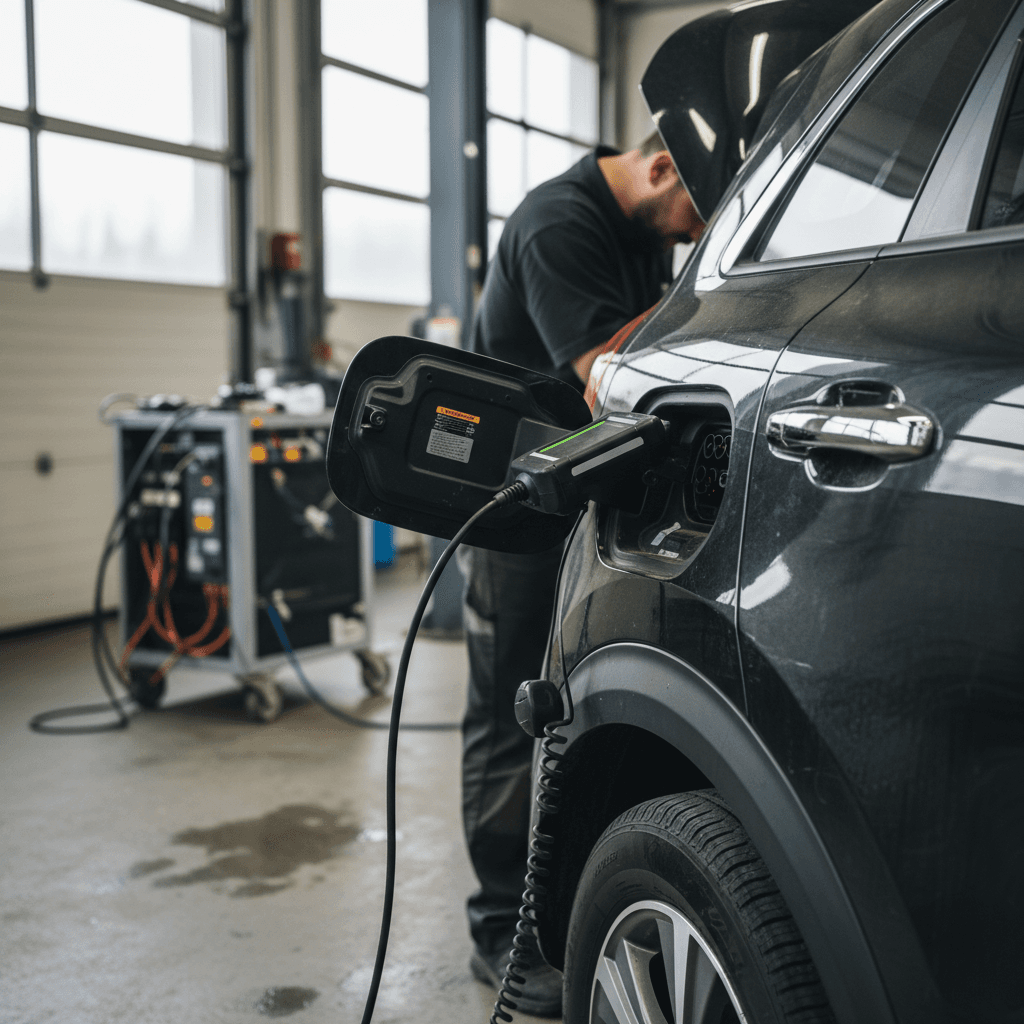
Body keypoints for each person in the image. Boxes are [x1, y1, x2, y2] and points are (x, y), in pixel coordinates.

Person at [461, 131, 705, 1017]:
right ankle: (498, 928)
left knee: (565, 712)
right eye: (693, 219)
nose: (687, 239)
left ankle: (551, 907)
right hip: (514, 509)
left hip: (585, 500)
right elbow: (606, 376)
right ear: (662, 167)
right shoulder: (555, 224)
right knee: (505, 712)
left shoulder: (641, 226)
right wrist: (713, 282)